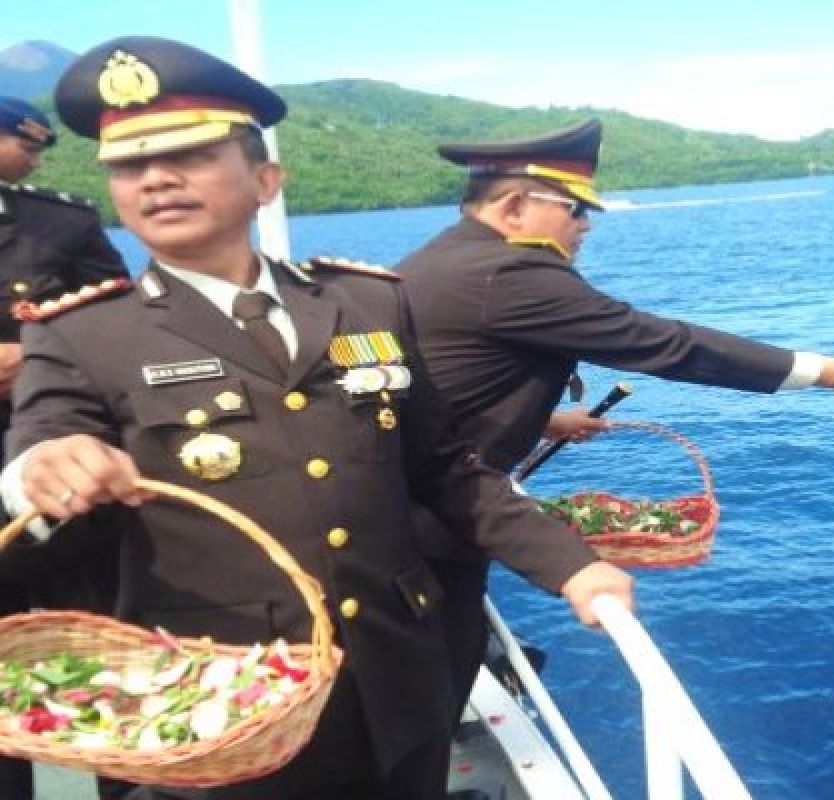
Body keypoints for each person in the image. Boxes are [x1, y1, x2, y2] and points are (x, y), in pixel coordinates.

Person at [0, 37, 632, 800]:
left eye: (192, 155)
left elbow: (444, 469)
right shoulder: (79, 334)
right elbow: (43, 437)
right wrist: (39, 469)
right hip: (222, 706)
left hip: (399, 675)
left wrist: (571, 565)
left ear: (265, 180)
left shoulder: (368, 302)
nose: (158, 178)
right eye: (130, 165)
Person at [393, 118, 834, 721]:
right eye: (574, 208)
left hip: (397, 516)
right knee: (422, 710)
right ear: (518, 205)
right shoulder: (513, 276)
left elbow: (438, 380)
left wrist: (547, 421)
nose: (585, 224)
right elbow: (670, 345)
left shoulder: (442, 261)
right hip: (428, 534)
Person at [0, 96, 129, 800]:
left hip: (65, 487)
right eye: (27, 143)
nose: (36, 156)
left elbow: (119, 326)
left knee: (105, 656)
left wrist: (32, 357)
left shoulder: (60, 222)